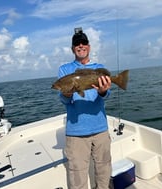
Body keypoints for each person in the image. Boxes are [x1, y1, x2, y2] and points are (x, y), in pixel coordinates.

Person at [57, 27, 112, 189]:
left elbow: (107, 95)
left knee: (104, 170)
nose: (81, 46)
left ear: (89, 46)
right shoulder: (64, 70)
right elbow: (64, 100)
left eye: (84, 43)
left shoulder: (100, 67)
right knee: (77, 175)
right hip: (76, 132)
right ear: (72, 48)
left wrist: (103, 91)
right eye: (77, 44)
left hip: (100, 128)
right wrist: (66, 93)